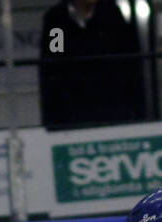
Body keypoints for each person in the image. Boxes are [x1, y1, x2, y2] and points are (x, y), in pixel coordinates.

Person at [38, 0, 146, 128]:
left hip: (112, 106)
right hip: (72, 109)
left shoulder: (110, 14)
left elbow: (126, 60)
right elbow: (54, 61)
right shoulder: (57, 19)